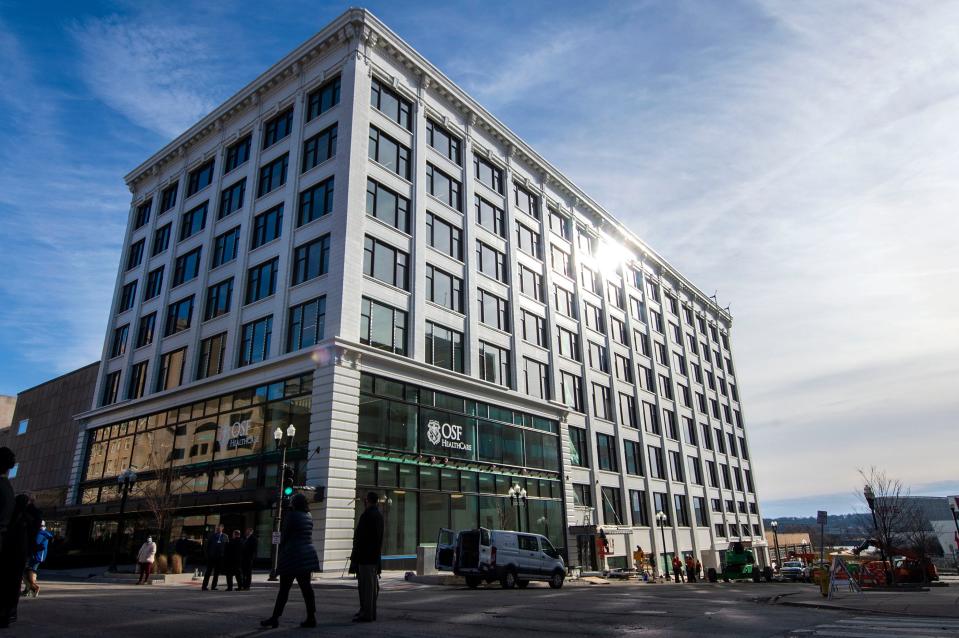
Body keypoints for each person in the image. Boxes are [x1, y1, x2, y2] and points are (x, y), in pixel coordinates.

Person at [260, 494, 318, 628]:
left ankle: (275, 618)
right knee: (307, 589)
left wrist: (280, 554)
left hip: (292, 556)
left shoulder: (292, 516)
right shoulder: (309, 516)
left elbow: (285, 536)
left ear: (295, 503)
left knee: (284, 590)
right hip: (307, 555)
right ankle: (311, 617)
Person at [0, 492, 38, 628]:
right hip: (18, 555)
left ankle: (6, 612)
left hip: (8, 553)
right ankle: (9, 612)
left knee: (7, 582)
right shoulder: (27, 519)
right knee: (13, 583)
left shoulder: (9, 517)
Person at [350, 492, 384, 623]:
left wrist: (357, 554)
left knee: (366, 587)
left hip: (365, 557)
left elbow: (361, 537)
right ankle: (369, 612)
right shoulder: (378, 516)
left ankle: (367, 613)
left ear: (368, 500)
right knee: (369, 586)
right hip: (372, 557)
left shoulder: (368, 515)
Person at [22, 521, 54, 597]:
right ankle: (28, 590)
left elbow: (36, 543)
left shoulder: (40, 533)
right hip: (38, 556)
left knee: (27, 573)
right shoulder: (44, 533)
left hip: (36, 557)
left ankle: (33, 588)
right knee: (29, 572)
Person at [202, 524, 227, 590]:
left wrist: (224, 556)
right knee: (208, 572)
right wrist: (207, 555)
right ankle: (204, 586)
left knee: (216, 573)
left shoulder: (225, 536)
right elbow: (207, 546)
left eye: (219, 528)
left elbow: (227, 547)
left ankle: (213, 586)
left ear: (222, 528)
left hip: (220, 557)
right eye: (217, 528)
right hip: (211, 557)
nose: (218, 529)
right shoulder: (212, 536)